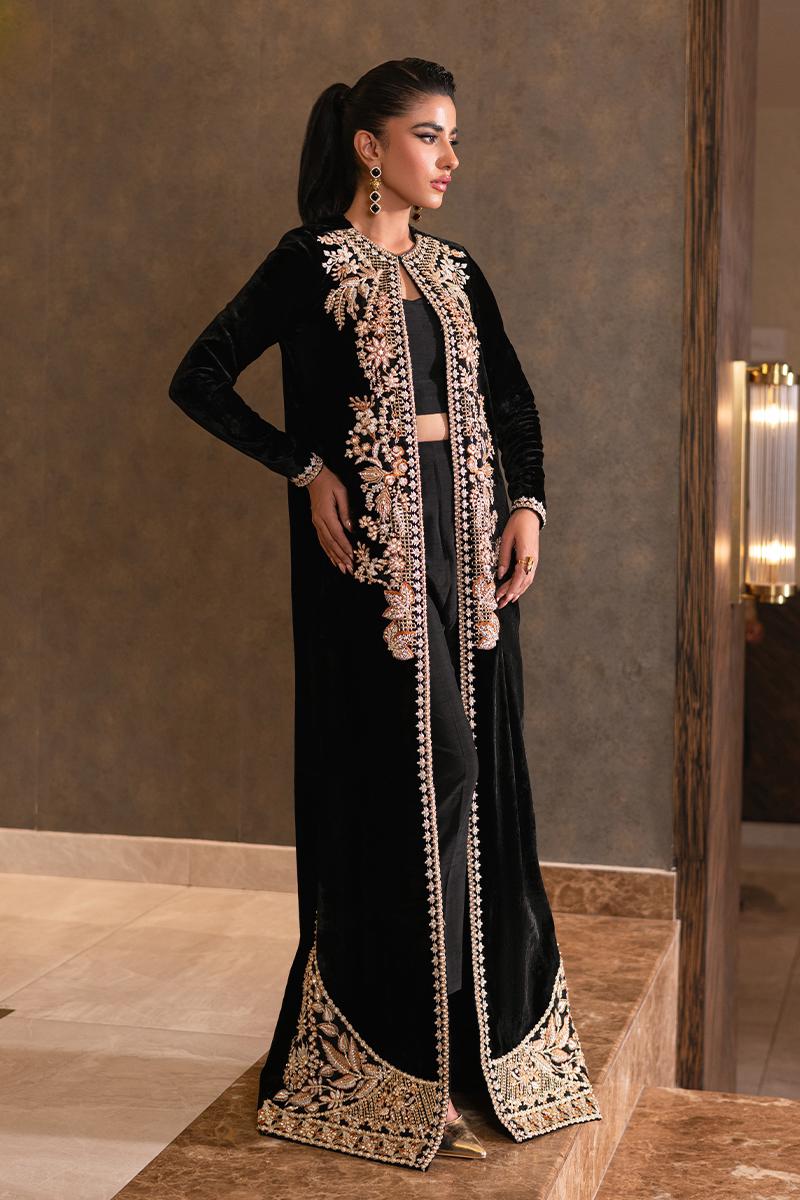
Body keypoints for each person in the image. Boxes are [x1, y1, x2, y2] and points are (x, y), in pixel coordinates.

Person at [168, 56, 601, 1171]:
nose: (449, 158)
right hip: (371, 570)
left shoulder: (456, 271)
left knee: (472, 780)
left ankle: (464, 1047)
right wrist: (304, 465)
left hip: (471, 552)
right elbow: (200, 376)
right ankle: (398, 1054)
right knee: (413, 776)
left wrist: (526, 505)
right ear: (370, 147)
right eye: (427, 136)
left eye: (452, 137)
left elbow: (510, 401)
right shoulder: (309, 261)